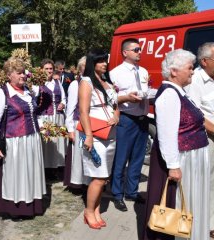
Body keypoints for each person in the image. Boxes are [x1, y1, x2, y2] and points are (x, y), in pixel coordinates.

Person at [143, 49, 210, 240]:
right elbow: (166, 134)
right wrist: (173, 166)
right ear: (174, 71)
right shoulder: (169, 95)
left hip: (191, 156)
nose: (192, 71)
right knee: (178, 203)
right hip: (183, 158)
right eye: (190, 68)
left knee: (188, 202)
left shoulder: (179, 92)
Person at [0, 57, 46, 217]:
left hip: (32, 139)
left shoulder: (28, 91)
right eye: (19, 73)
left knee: (31, 172)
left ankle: (32, 205)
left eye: (24, 72)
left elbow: (33, 114)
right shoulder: (2, 94)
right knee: (17, 175)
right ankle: (17, 208)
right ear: (8, 75)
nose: (23, 76)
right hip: (15, 141)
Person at [79, 49, 119, 229]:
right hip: (95, 135)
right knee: (99, 177)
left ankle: (96, 210)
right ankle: (89, 211)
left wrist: (116, 115)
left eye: (105, 61)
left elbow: (116, 104)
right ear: (92, 63)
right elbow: (83, 112)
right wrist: (88, 135)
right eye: (100, 61)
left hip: (110, 134)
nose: (105, 64)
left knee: (104, 177)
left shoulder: (107, 81)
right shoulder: (86, 82)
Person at [109, 38, 149, 211]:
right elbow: (109, 99)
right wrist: (126, 97)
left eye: (140, 49)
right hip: (126, 119)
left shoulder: (143, 71)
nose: (140, 52)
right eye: (136, 49)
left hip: (142, 119)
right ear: (125, 52)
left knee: (138, 158)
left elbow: (145, 90)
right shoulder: (115, 73)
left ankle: (131, 191)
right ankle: (117, 194)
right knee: (121, 158)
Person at [185, 42, 214, 239]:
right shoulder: (194, 81)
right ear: (204, 62)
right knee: (205, 182)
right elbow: (196, 115)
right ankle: (203, 225)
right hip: (206, 140)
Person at [34, 58, 67, 177]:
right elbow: (34, 99)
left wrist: (63, 103)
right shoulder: (37, 84)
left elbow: (63, 97)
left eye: (51, 69)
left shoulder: (57, 82)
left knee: (58, 142)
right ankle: (46, 169)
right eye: (46, 69)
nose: (49, 71)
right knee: (47, 144)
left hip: (58, 117)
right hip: (44, 117)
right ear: (41, 70)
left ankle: (57, 167)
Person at [64, 56, 89, 189]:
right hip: (78, 123)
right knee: (79, 153)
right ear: (80, 69)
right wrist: (70, 129)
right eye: (85, 65)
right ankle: (79, 181)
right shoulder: (75, 84)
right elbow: (71, 107)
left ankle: (89, 180)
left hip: (92, 123)